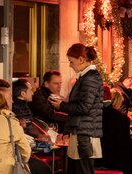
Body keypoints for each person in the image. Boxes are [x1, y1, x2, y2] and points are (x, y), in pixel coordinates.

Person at [50, 43, 104, 174]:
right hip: (82, 131)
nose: (70, 65)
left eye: (71, 61)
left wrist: (61, 105)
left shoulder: (89, 78)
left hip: (84, 133)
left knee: (84, 169)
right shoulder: (86, 77)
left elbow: (84, 107)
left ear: (81, 59)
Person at [99, 89, 132, 174]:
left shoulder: (96, 114)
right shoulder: (122, 119)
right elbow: (125, 145)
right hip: (114, 161)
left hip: (96, 158)